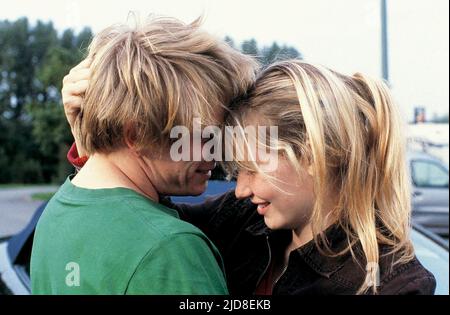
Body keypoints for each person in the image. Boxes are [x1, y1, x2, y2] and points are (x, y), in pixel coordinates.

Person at [63, 57, 436, 294]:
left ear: (313, 155)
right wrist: (95, 138)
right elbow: (144, 214)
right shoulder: (242, 220)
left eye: (252, 169)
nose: (239, 189)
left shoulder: (394, 284)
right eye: (236, 171)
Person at [30, 16, 257, 294]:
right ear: (135, 135)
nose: (216, 152)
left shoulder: (56, 213)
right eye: (204, 136)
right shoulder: (168, 249)